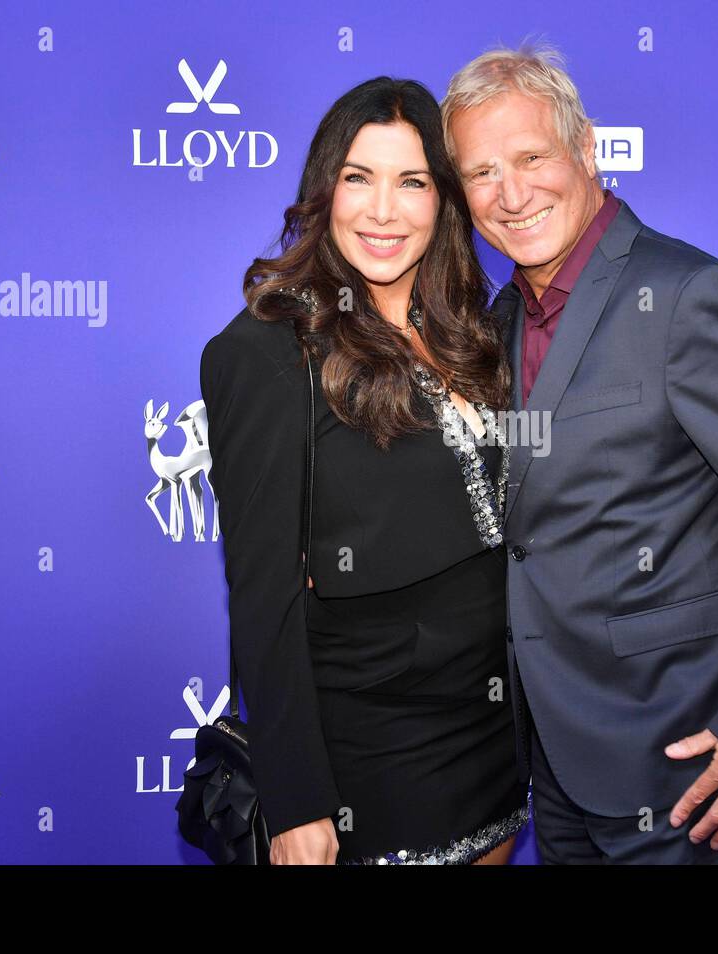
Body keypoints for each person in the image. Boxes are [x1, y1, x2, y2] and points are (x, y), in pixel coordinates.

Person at [441, 41, 718, 864]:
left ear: (587, 148)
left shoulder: (682, 296)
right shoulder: (499, 323)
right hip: (551, 765)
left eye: (531, 156)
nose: (512, 193)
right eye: (482, 172)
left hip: (682, 767)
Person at [199, 76, 528, 865]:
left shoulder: (474, 331)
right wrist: (295, 799)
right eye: (360, 178)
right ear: (325, 188)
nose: (384, 211)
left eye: (412, 181)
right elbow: (263, 590)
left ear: (444, 200)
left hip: (495, 735)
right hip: (368, 757)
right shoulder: (267, 352)